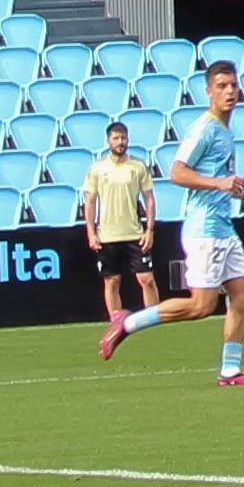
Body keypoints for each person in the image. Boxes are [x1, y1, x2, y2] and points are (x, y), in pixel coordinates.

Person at [111, 60, 244, 380]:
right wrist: (220, 184)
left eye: (233, 85)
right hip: (204, 230)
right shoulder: (205, 128)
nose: (229, 91)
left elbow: (217, 178)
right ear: (208, 91)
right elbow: (177, 172)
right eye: (222, 86)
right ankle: (128, 323)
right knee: (201, 305)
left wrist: (240, 194)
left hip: (223, 226)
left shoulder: (226, 130)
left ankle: (230, 369)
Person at [81, 120, 161, 340]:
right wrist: (91, 231)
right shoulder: (98, 168)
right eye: (116, 138)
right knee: (112, 281)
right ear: (108, 141)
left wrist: (149, 229)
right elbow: (89, 202)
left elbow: (149, 199)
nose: (120, 142)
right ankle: (116, 322)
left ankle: (152, 320)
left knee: (147, 279)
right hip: (107, 234)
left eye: (123, 138)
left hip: (135, 233)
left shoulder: (137, 166)